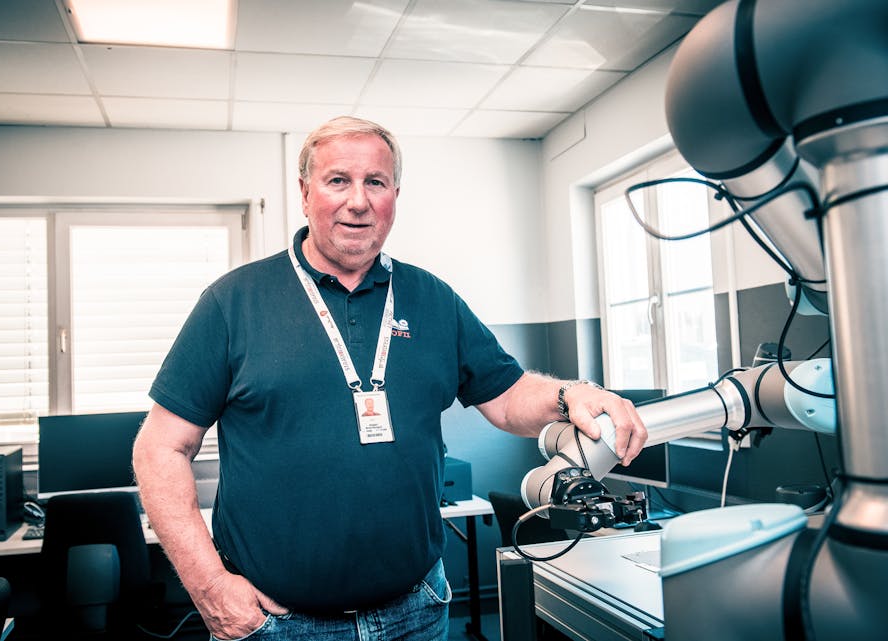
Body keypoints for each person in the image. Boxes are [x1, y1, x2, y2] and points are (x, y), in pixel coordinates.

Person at [132, 116, 648, 641]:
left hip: (415, 613)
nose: (358, 201)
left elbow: (509, 396)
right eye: (338, 180)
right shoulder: (232, 303)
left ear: (394, 197)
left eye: (375, 182)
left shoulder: (434, 300)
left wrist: (571, 394)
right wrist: (210, 586)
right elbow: (160, 449)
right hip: (279, 624)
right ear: (305, 193)